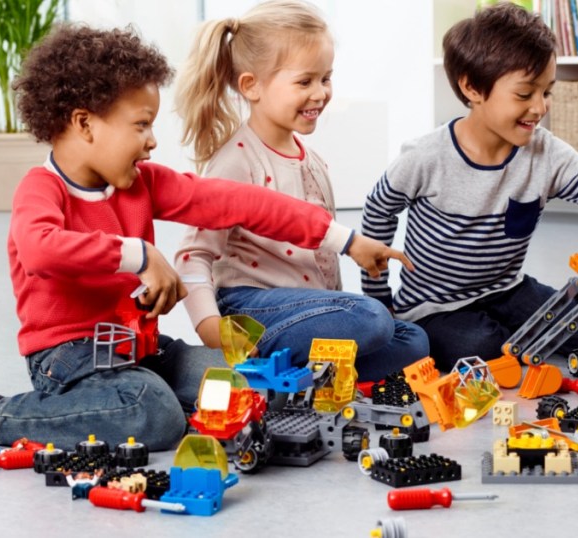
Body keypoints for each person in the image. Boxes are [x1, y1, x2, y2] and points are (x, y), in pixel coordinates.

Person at [0, 24, 409, 452]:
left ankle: (151, 401)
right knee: (153, 414)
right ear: (84, 124)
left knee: (250, 387)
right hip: (69, 359)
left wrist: (343, 238)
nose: (152, 140)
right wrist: (137, 253)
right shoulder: (41, 190)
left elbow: (240, 202)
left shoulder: (144, 182)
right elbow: (40, 249)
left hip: (139, 349)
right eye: (141, 125)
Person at [360, 3, 578, 372]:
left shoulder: (545, 152)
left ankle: (523, 338)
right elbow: (378, 210)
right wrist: (378, 298)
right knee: (484, 347)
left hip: (509, 290)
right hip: (434, 308)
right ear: (472, 87)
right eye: (524, 94)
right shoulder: (426, 157)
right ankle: (512, 342)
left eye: (547, 91)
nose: (539, 107)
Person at [172, 0, 429, 382]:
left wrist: (341, 309)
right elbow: (193, 254)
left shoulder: (313, 160)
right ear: (251, 86)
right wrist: (210, 326)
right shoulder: (236, 161)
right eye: (304, 81)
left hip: (307, 308)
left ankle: (303, 373)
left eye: (325, 78)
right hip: (250, 308)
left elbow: (322, 262)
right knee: (371, 319)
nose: (321, 93)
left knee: (414, 340)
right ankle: (263, 364)